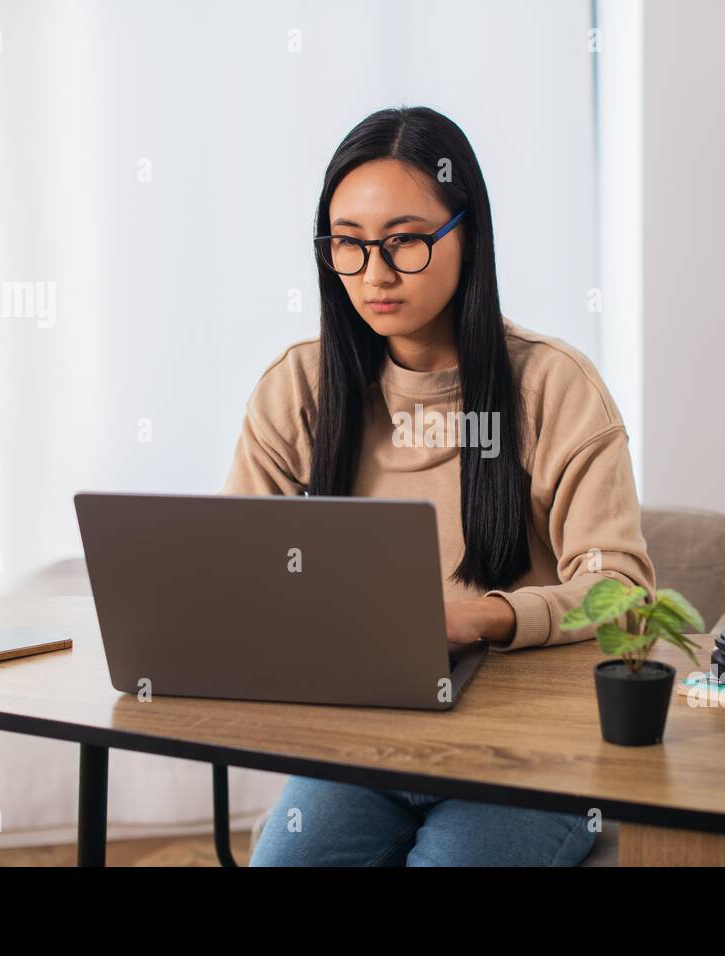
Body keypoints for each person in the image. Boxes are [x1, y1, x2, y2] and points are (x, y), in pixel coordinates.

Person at [223, 105, 655, 866]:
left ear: (469, 235)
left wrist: (483, 618)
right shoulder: (301, 385)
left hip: (528, 750)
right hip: (365, 742)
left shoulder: (554, 386)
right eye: (348, 247)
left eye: (406, 241)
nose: (375, 273)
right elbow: (229, 564)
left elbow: (621, 589)